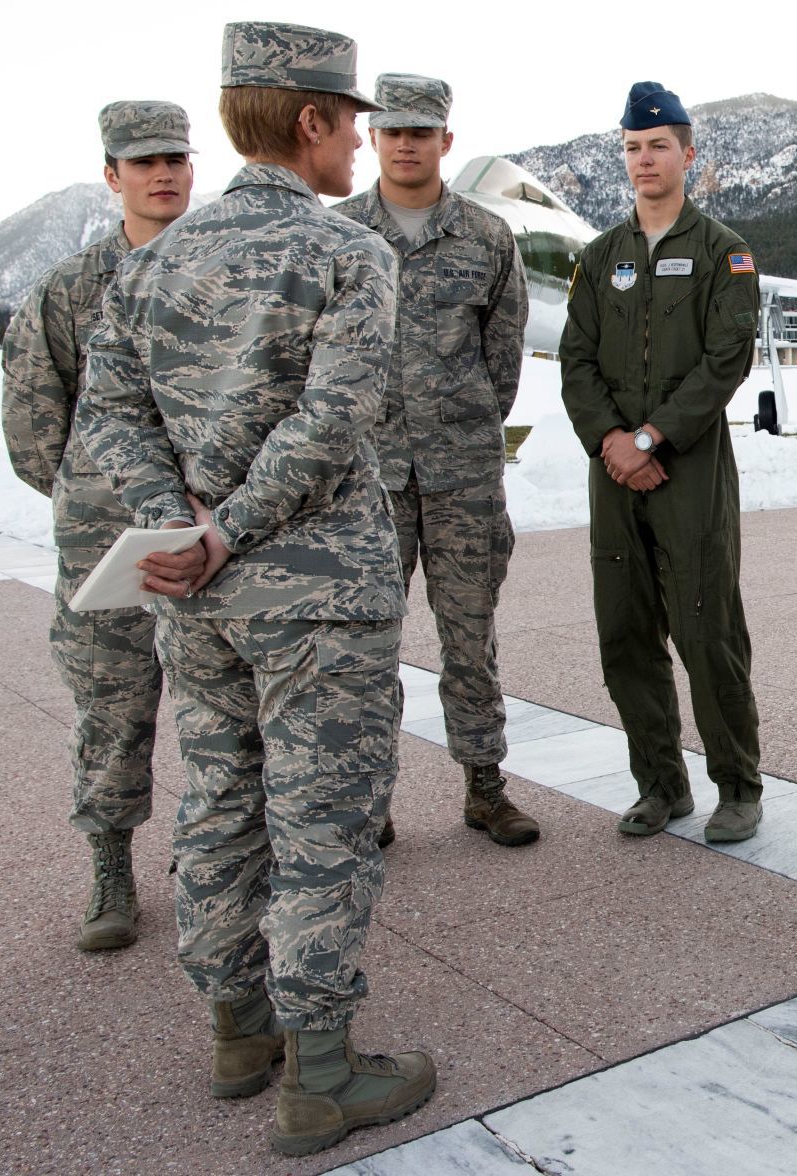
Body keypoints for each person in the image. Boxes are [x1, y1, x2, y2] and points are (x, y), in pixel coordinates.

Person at [76, 21, 433, 1156]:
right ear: (314, 121)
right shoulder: (347, 254)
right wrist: (228, 529)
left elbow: (110, 417)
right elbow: (333, 421)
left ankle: (237, 1029)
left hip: (197, 601)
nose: (364, 143)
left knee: (222, 804)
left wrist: (173, 526)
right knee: (323, 821)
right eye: (356, 121)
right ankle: (320, 1075)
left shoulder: (153, 262)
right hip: (316, 597)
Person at [1, 100, 196, 952]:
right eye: (144, 161)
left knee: (223, 705)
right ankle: (111, 864)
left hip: (210, 531)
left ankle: (210, 854)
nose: (164, 173)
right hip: (107, 542)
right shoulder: (71, 289)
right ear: (111, 175)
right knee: (113, 704)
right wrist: (92, 497)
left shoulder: (219, 271)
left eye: (177, 158)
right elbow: (34, 420)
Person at [334, 73, 536, 850]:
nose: (407, 143)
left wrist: (468, 426)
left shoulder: (486, 237)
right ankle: (370, 802)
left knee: (470, 637)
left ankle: (485, 789)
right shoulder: (342, 235)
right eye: (392, 131)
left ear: (446, 140)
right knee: (363, 643)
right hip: (364, 481)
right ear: (376, 139)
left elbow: (504, 357)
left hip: (462, 477)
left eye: (422, 131)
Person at [559, 82, 764, 843]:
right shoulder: (600, 256)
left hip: (690, 471)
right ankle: (660, 785)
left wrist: (650, 439)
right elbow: (575, 360)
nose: (645, 160)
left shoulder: (723, 252)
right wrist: (612, 442)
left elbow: (725, 359)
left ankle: (738, 787)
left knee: (707, 631)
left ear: (688, 155)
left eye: (658, 147)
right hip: (613, 475)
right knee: (624, 633)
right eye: (632, 148)